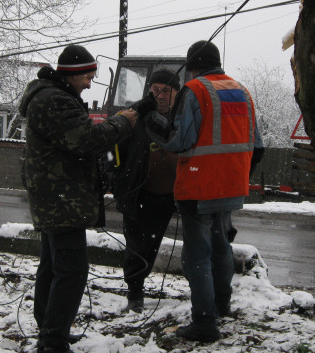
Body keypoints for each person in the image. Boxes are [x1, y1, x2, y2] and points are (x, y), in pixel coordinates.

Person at [19, 44, 144, 353]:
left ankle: (50, 329)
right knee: (72, 271)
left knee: (53, 266)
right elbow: (86, 139)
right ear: (73, 74)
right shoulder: (54, 100)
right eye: (88, 76)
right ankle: (53, 340)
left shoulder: (52, 96)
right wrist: (125, 122)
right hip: (62, 201)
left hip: (57, 198)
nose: (90, 83)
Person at [145, 40, 264, 343]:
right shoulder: (241, 90)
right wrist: (235, 176)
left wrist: (150, 118)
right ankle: (222, 306)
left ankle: (204, 322)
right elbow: (258, 147)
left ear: (191, 66)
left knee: (196, 256)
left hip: (198, 187)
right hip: (230, 188)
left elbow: (176, 141)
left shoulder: (195, 90)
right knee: (220, 247)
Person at [111, 68, 180, 313]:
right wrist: (117, 180)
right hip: (140, 194)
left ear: (176, 93)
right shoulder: (134, 117)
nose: (160, 96)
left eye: (166, 91)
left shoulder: (182, 120)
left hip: (171, 197)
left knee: (153, 245)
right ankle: (135, 292)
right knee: (137, 247)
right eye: (155, 90)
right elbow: (110, 152)